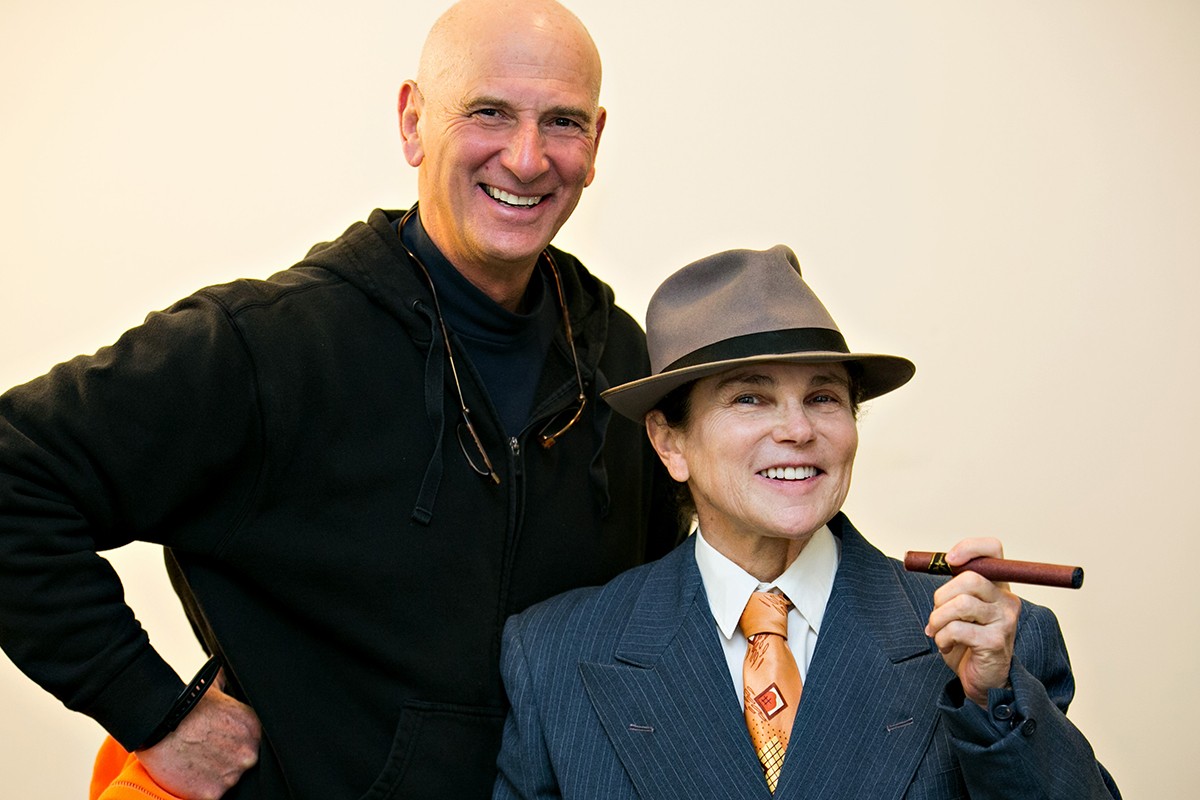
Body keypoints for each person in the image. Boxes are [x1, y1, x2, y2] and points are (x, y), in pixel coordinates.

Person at [0, 1, 683, 797]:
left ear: (595, 142)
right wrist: (151, 709)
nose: (527, 158)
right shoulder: (272, 347)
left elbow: (659, 613)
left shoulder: (623, 362)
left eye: (561, 121)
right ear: (413, 123)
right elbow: (15, 471)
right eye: (489, 112)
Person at [493, 245, 1122, 799]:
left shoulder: (993, 642)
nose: (798, 430)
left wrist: (991, 701)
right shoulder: (555, 656)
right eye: (750, 397)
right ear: (669, 443)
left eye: (823, 397)